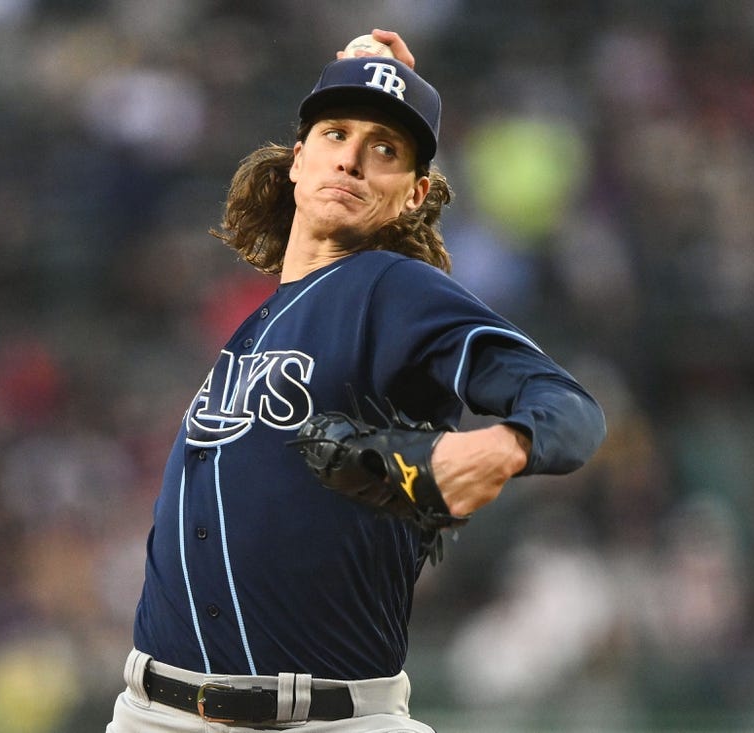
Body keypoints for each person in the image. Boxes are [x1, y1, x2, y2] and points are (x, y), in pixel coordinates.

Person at [106, 29, 606, 733]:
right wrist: (368, 77)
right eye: (336, 132)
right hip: (154, 713)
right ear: (296, 160)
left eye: (386, 149)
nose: (351, 157)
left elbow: (571, 409)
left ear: (414, 194)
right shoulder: (264, 322)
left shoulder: (392, 290)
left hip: (326, 720)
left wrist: (503, 445)